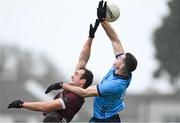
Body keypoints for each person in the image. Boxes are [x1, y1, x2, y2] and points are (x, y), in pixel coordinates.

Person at [45, 0, 138, 122]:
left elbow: (84, 92)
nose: (119, 56)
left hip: (106, 120)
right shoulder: (123, 69)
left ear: (121, 66)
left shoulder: (114, 85)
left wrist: (62, 85)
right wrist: (103, 20)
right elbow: (115, 40)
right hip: (101, 118)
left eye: (122, 58)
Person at [7, 19, 100, 123]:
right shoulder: (72, 89)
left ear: (82, 81)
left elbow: (46, 107)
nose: (72, 76)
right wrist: (90, 37)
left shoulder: (74, 97)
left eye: (76, 74)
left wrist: (22, 104)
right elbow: (83, 59)